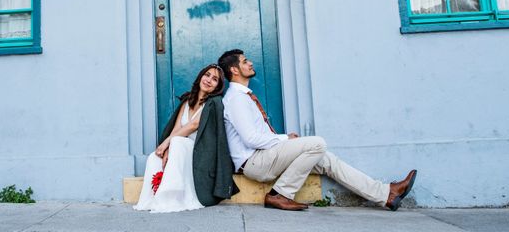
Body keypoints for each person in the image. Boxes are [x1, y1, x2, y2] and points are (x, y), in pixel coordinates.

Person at [219, 49, 417, 212]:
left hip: (265, 157)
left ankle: (386, 194)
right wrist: (285, 139)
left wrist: (286, 141)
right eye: (245, 61)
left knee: (326, 159)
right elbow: (251, 139)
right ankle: (280, 194)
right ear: (234, 70)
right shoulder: (236, 99)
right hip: (254, 162)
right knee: (317, 144)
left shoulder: (244, 97)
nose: (251, 63)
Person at [134, 64, 239, 213]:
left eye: (214, 79)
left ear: (218, 86)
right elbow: (177, 129)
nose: (209, 80)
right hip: (180, 148)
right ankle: (153, 199)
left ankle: (171, 198)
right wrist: (167, 149)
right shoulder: (187, 100)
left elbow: (194, 125)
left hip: (199, 153)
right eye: (207, 75)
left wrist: (166, 143)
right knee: (154, 157)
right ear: (200, 76)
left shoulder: (214, 102)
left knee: (176, 142)